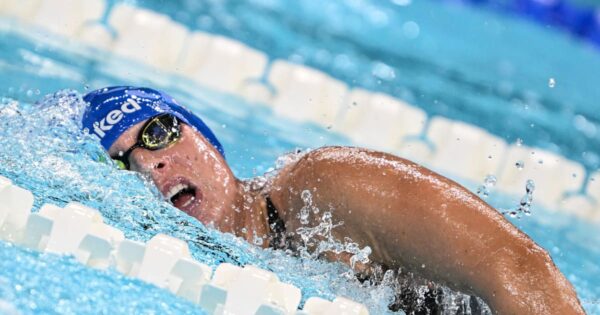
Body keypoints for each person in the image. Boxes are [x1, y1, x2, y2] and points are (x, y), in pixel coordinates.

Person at [82, 86, 585, 315]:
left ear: (207, 138)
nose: (150, 164)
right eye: (121, 163)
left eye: (158, 133)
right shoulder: (180, 269)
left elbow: (520, 270)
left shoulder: (324, 188)